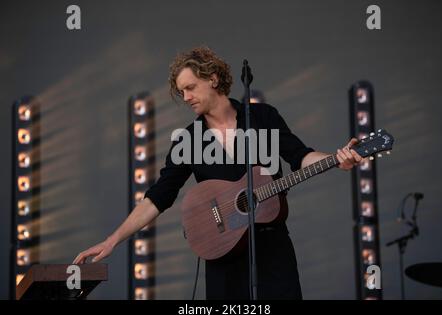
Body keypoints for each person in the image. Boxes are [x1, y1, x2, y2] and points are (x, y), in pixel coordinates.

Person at [73, 46, 362, 299]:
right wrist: (112, 240)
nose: (185, 97)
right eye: (181, 91)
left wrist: (336, 159)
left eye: (190, 87)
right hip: (222, 254)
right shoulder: (189, 139)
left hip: (272, 250)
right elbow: (158, 197)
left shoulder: (263, 118)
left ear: (213, 79)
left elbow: (301, 156)